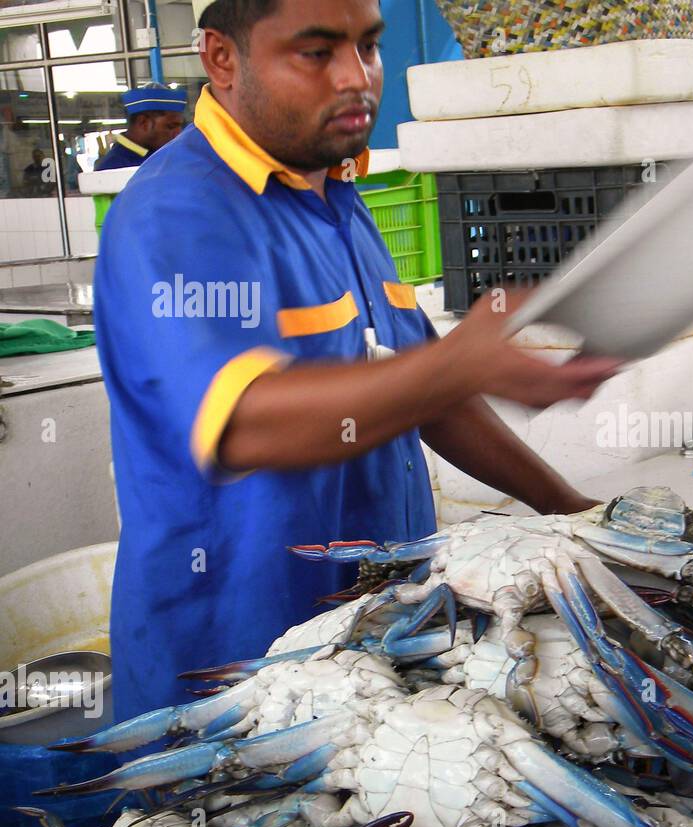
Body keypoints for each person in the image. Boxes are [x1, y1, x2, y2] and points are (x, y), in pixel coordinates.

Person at [95, 0, 621, 722]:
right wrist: (460, 363)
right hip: (238, 671)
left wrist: (575, 516)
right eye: (316, 53)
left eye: (369, 47)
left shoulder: (334, 192)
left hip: (378, 638)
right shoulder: (178, 213)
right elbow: (245, 425)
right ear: (222, 57)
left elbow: (423, 390)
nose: (358, 77)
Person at [94, 84, 188, 171]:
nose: (178, 133)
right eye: (170, 126)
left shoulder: (165, 156)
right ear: (144, 122)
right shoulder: (113, 167)